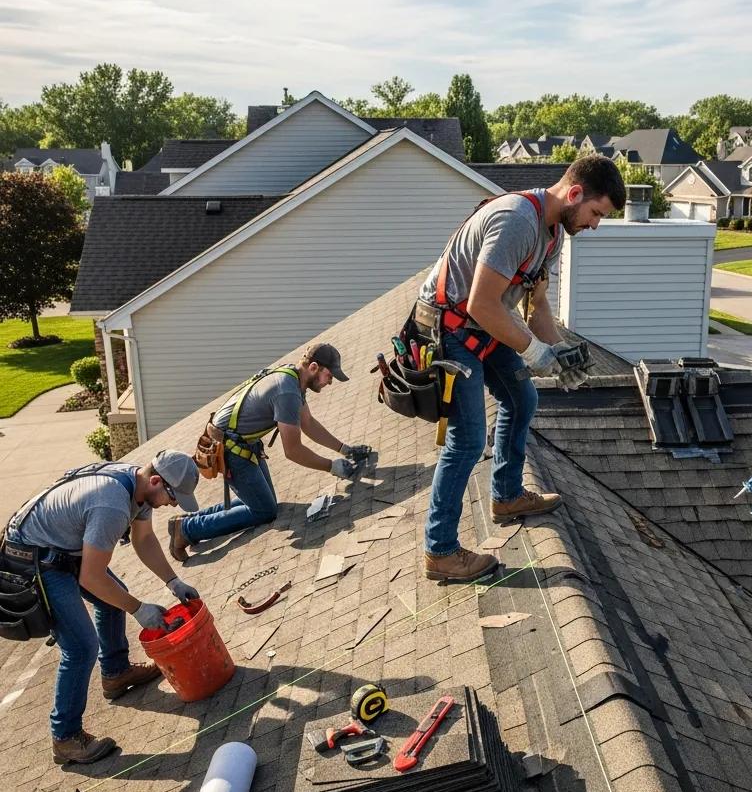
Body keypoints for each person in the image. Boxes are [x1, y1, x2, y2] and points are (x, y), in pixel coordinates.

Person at [417, 155, 626, 583]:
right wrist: (535, 355)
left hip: (484, 324)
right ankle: (439, 551)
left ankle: (508, 495)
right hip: (450, 328)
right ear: (573, 194)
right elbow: (480, 303)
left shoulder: (553, 234)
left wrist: (559, 350)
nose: (595, 225)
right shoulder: (516, 221)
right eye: (596, 213)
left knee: (521, 396)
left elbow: (538, 306)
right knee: (469, 439)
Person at [2, 451, 202, 765]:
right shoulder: (112, 503)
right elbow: (92, 577)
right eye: (173, 497)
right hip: (33, 557)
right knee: (81, 646)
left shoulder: (138, 488)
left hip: (58, 546)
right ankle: (66, 738)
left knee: (114, 599)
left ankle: (115, 673)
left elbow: (144, 539)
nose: (173, 505)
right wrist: (139, 609)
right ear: (155, 480)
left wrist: (173, 581)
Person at [168, 342, 369, 560]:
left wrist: (344, 449)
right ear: (313, 367)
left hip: (242, 443)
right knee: (264, 511)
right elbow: (293, 451)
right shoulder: (287, 391)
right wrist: (332, 467)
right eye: (329, 375)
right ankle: (188, 530)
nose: (330, 382)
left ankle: (185, 522)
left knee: (263, 502)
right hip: (230, 450)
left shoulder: (293, 377)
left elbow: (307, 422)